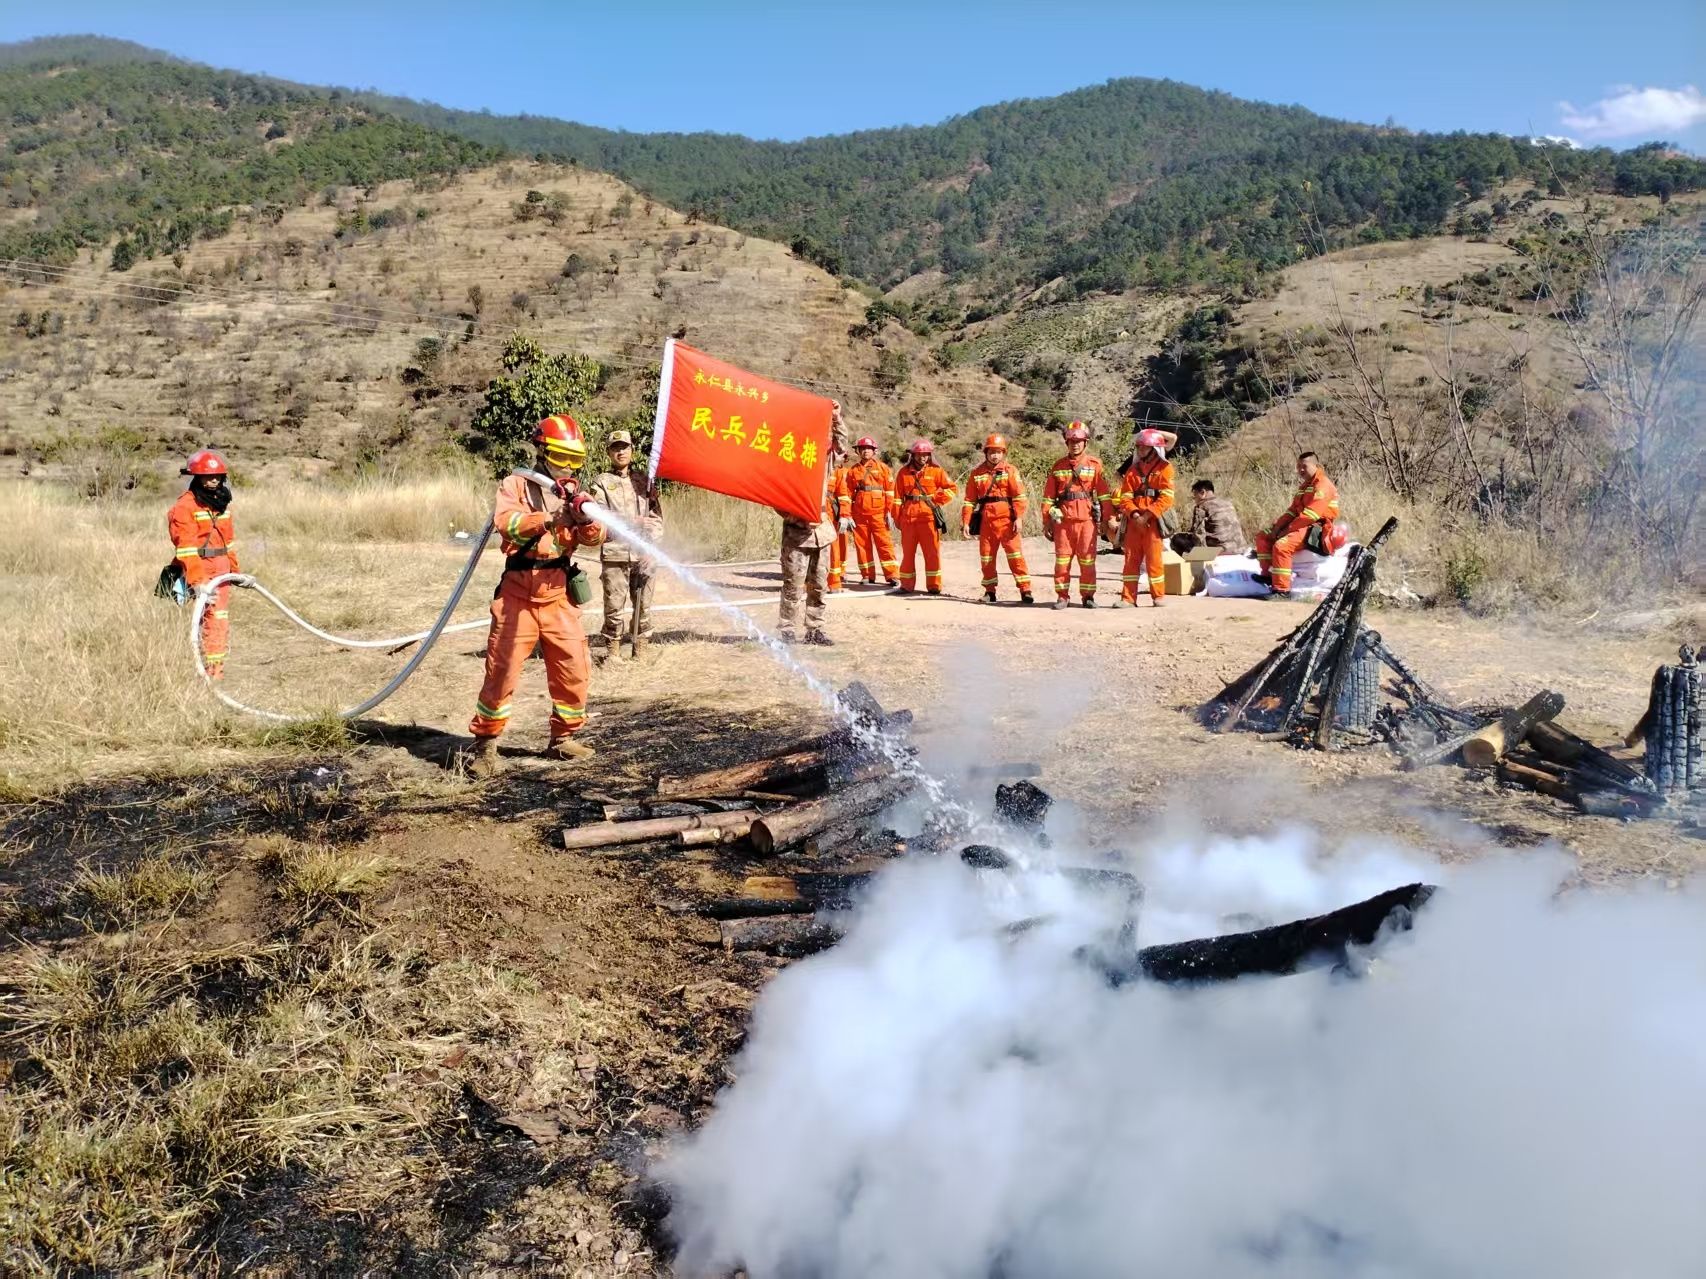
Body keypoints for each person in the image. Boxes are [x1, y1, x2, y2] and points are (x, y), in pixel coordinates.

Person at [466, 414, 607, 777]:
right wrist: (549, 518)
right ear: (542, 451)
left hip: (558, 595)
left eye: (575, 459)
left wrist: (586, 519)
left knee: (574, 669)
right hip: (518, 595)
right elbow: (507, 524)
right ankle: (485, 746)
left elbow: (595, 538)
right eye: (562, 456)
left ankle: (563, 738)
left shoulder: (576, 495)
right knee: (501, 672)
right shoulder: (515, 484)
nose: (568, 466)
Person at [777, 401, 849, 644]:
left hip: (823, 533)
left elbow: (841, 445)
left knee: (819, 585)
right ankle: (787, 630)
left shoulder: (823, 462)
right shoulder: (787, 465)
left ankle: (814, 630)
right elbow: (777, 500)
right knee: (793, 586)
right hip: (797, 534)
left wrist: (837, 419)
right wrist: (796, 517)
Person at [591, 428, 663, 663]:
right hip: (616, 554)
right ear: (608, 453)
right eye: (615, 448)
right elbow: (600, 516)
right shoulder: (601, 482)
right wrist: (633, 520)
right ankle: (613, 653)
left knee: (644, 606)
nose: (620, 452)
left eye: (624, 447)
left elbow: (656, 519)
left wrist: (652, 550)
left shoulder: (644, 481)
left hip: (644, 554)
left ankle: (640, 650)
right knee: (614, 607)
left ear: (632, 450)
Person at [168, 449, 240, 679]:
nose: (213, 480)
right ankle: (208, 671)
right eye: (208, 476)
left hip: (222, 566)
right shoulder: (185, 506)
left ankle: (214, 669)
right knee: (207, 617)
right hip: (200, 566)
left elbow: (228, 542)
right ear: (197, 477)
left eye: (217, 476)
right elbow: (186, 548)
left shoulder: (221, 502)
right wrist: (197, 581)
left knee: (218, 617)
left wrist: (235, 572)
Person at [1042, 421, 1115, 609]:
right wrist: (1046, 521)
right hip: (1063, 523)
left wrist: (1107, 520)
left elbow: (1104, 496)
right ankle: (1062, 597)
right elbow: (1048, 497)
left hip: (1087, 522)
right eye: (1071, 441)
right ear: (1066, 443)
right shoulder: (1058, 466)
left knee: (1088, 561)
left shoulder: (1095, 465)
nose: (1075, 445)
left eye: (1078, 441)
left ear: (1085, 442)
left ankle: (1088, 597)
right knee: (1062, 561)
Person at [1254, 451, 1341, 599]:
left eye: (1304, 466)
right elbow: (1292, 511)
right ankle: (1268, 576)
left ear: (1316, 465)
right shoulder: (1305, 486)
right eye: (1298, 466)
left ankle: (1282, 591)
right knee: (1263, 537)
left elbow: (1310, 516)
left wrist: (1287, 530)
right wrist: (1277, 527)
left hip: (1316, 528)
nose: (1300, 470)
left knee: (1282, 546)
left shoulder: (1323, 485)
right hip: (1300, 524)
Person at [961, 433, 1034, 604]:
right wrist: (965, 522)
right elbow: (969, 500)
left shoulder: (1010, 470)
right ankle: (990, 591)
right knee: (987, 557)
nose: (995, 455)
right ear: (986, 453)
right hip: (987, 522)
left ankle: (1025, 590)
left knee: (1015, 555)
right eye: (992, 452)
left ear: (1003, 453)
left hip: (1007, 520)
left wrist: (1019, 518)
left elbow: (1019, 497)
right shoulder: (977, 473)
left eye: (998, 452)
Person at [1113, 427, 1178, 608]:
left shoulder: (1165, 468)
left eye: (1145, 447)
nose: (1141, 450)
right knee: (1130, 560)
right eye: (1139, 447)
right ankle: (1128, 598)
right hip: (1134, 522)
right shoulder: (1133, 470)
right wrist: (1134, 514)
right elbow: (1125, 497)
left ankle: (1158, 596)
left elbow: (1166, 498)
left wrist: (1147, 515)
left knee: (1154, 560)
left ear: (1155, 449)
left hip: (1153, 522)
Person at [892, 438, 957, 595]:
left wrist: (937, 499)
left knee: (932, 553)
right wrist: (897, 518)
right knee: (908, 554)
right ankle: (906, 585)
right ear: (913, 455)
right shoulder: (903, 472)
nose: (923, 457)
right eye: (919, 454)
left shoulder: (936, 471)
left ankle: (934, 585)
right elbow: (897, 498)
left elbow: (952, 489)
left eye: (926, 454)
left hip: (928, 518)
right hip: (908, 518)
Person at [844, 436, 899, 585]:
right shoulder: (853, 471)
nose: (866, 451)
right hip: (859, 514)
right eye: (862, 448)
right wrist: (847, 515)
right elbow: (847, 494)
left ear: (874, 451)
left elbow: (890, 491)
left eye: (868, 448)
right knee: (862, 545)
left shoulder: (883, 468)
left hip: (879, 514)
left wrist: (890, 512)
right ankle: (867, 575)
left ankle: (892, 575)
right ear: (858, 451)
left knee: (884, 544)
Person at [1169, 479, 1245, 556]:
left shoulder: (1202, 507)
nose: (1195, 500)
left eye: (1195, 496)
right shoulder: (1228, 504)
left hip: (1218, 551)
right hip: (1239, 548)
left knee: (1177, 539)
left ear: (1203, 493)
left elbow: (1197, 535)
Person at [827, 449, 853, 594]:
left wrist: (845, 515)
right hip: (812, 512)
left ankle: (834, 581)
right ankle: (807, 582)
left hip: (830, 513)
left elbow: (843, 495)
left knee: (834, 547)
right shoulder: (813, 467)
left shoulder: (838, 472)